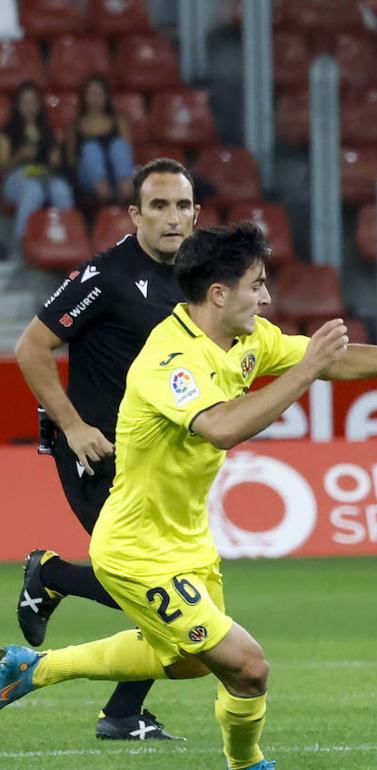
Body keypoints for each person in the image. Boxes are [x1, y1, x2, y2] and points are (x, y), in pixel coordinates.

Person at [0, 222, 377, 770]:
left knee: (194, 663)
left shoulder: (248, 339)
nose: (266, 297)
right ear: (219, 294)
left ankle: (34, 668)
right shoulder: (169, 359)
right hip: (134, 548)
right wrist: (306, 371)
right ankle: (247, 764)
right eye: (257, 284)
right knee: (247, 667)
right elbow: (221, 427)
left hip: (188, 540)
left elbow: (330, 360)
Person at [13, 158, 197, 741]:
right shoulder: (106, 275)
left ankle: (122, 712)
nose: (173, 217)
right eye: (160, 206)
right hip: (97, 453)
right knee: (160, 587)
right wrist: (71, 427)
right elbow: (32, 347)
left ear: (196, 213)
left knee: (177, 588)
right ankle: (52, 576)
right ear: (135, 214)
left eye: (183, 206)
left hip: (157, 458)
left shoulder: (196, 278)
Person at [0, 80, 74, 240]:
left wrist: (57, 152)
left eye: (33, 102)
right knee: (33, 191)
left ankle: (67, 240)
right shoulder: (8, 131)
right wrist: (20, 156)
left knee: (61, 190)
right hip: (17, 176)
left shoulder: (47, 131)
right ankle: (20, 244)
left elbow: (56, 164)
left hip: (45, 175)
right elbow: (3, 166)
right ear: (17, 105)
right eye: (25, 102)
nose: (29, 107)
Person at [65, 74, 136, 204]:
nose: (96, 98)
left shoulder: (119, 121)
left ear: (106, 96)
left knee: (119, 145)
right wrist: (92, 163)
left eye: (99, 94)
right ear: (84, 97)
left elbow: (127, 153)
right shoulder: (76, 125)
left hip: (116, 171)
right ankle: (103, 191)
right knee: (91, 148)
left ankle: (126, 189)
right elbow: (71, 159)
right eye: (92, 94)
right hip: (89, 176)